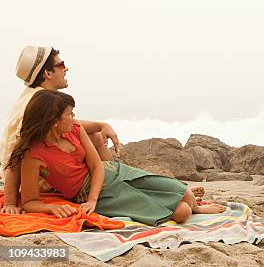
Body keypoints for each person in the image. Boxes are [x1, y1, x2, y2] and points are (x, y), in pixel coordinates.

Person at [4, 90, 225, 224]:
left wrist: (91, 200)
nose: (73, 117)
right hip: (94, 194)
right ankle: (192, 208)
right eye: (69, 114)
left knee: (185, 194)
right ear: (53, 121)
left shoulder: (74, 128)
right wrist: (53, 207)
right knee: (182, 212)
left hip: (112, 172)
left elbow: (97, 166)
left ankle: (198, 207)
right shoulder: (34, 155)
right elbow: (31, 201)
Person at [0, 46, 121, 214]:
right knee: (95, 139)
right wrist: (11, 202)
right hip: (36, 175)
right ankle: (110, 185)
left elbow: (70, 123)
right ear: (48, 73)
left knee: (92, 135)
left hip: (44, 166)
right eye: (61, 64)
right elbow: (18, 151)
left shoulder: (39, 97)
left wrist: (101, 125)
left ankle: (109, 178)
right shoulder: (33, 105)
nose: (66, 68)